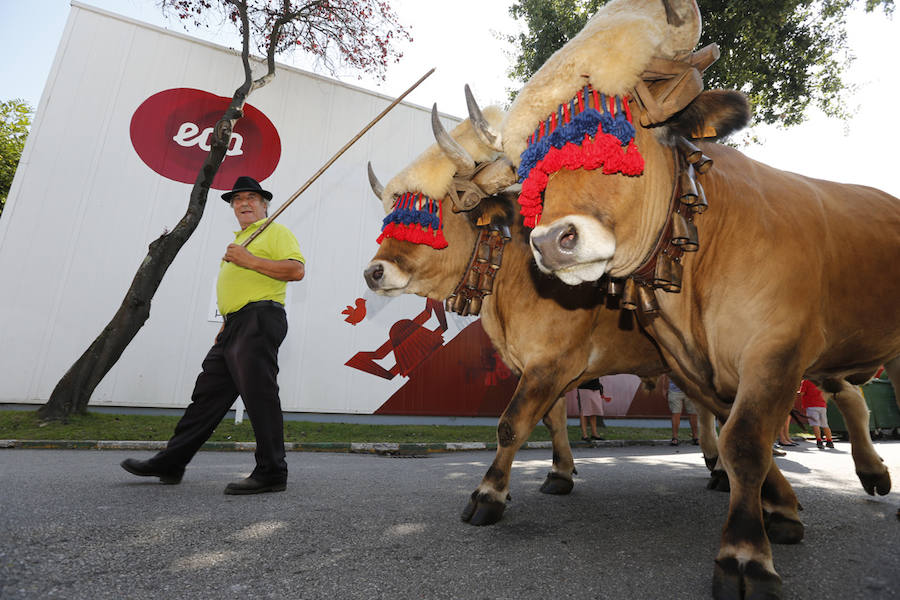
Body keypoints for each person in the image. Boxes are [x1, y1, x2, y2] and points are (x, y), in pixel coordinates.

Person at [121, 176, 305, 494]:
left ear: (264, 205)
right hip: (234, 325)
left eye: (251, 198)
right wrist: (225, 326)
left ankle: (272, 471)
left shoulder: (275, 231)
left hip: (260, 319)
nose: (244, 203)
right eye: (237, 199)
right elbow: (237, 290)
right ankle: (171, 461)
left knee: (259, 396)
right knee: (207, 396)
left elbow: (295, 270)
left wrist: (248, 260)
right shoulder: (241, 240)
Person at [799, 379, 834, 449]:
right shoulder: (822, 381)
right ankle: (829, 441)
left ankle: (819, 441)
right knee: (825, 424)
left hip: (811, 405)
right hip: (822, 405)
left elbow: (802, 393)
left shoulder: (806, 381)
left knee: (815, 424)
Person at [667, 379, 698, 446]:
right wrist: (664, 388)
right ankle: (675, 438)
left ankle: (695, 437)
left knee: (693, 413)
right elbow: (665, 374)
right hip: (674, 390)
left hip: (690, 391)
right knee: (676, 413)